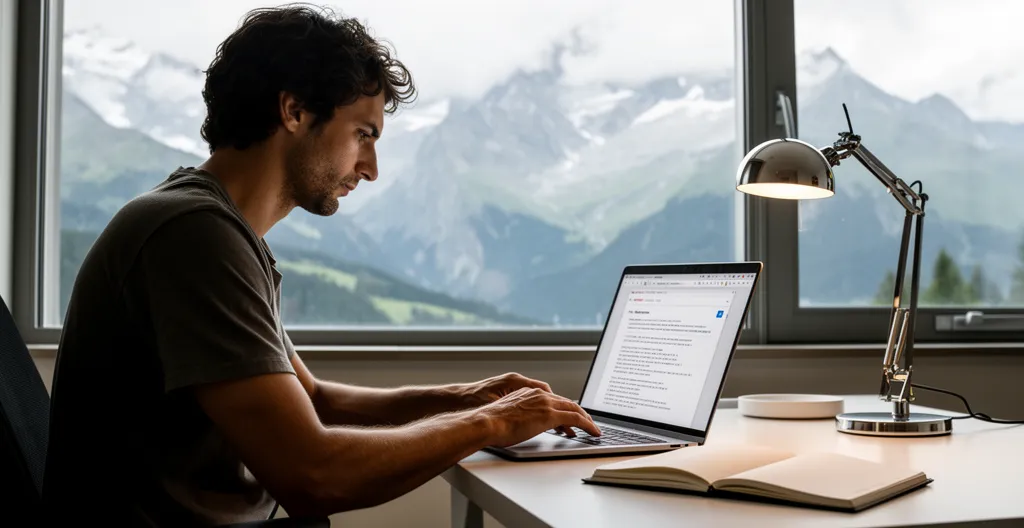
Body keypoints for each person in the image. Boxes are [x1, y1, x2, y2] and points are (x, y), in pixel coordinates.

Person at [42, 4, 600, 526]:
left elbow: (313, 402)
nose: (372, 168)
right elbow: (312, 475)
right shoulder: (193, 236)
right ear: (294, 111)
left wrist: (468, 398)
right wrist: (492, 424)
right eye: (363, 134)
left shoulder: (215, 229)